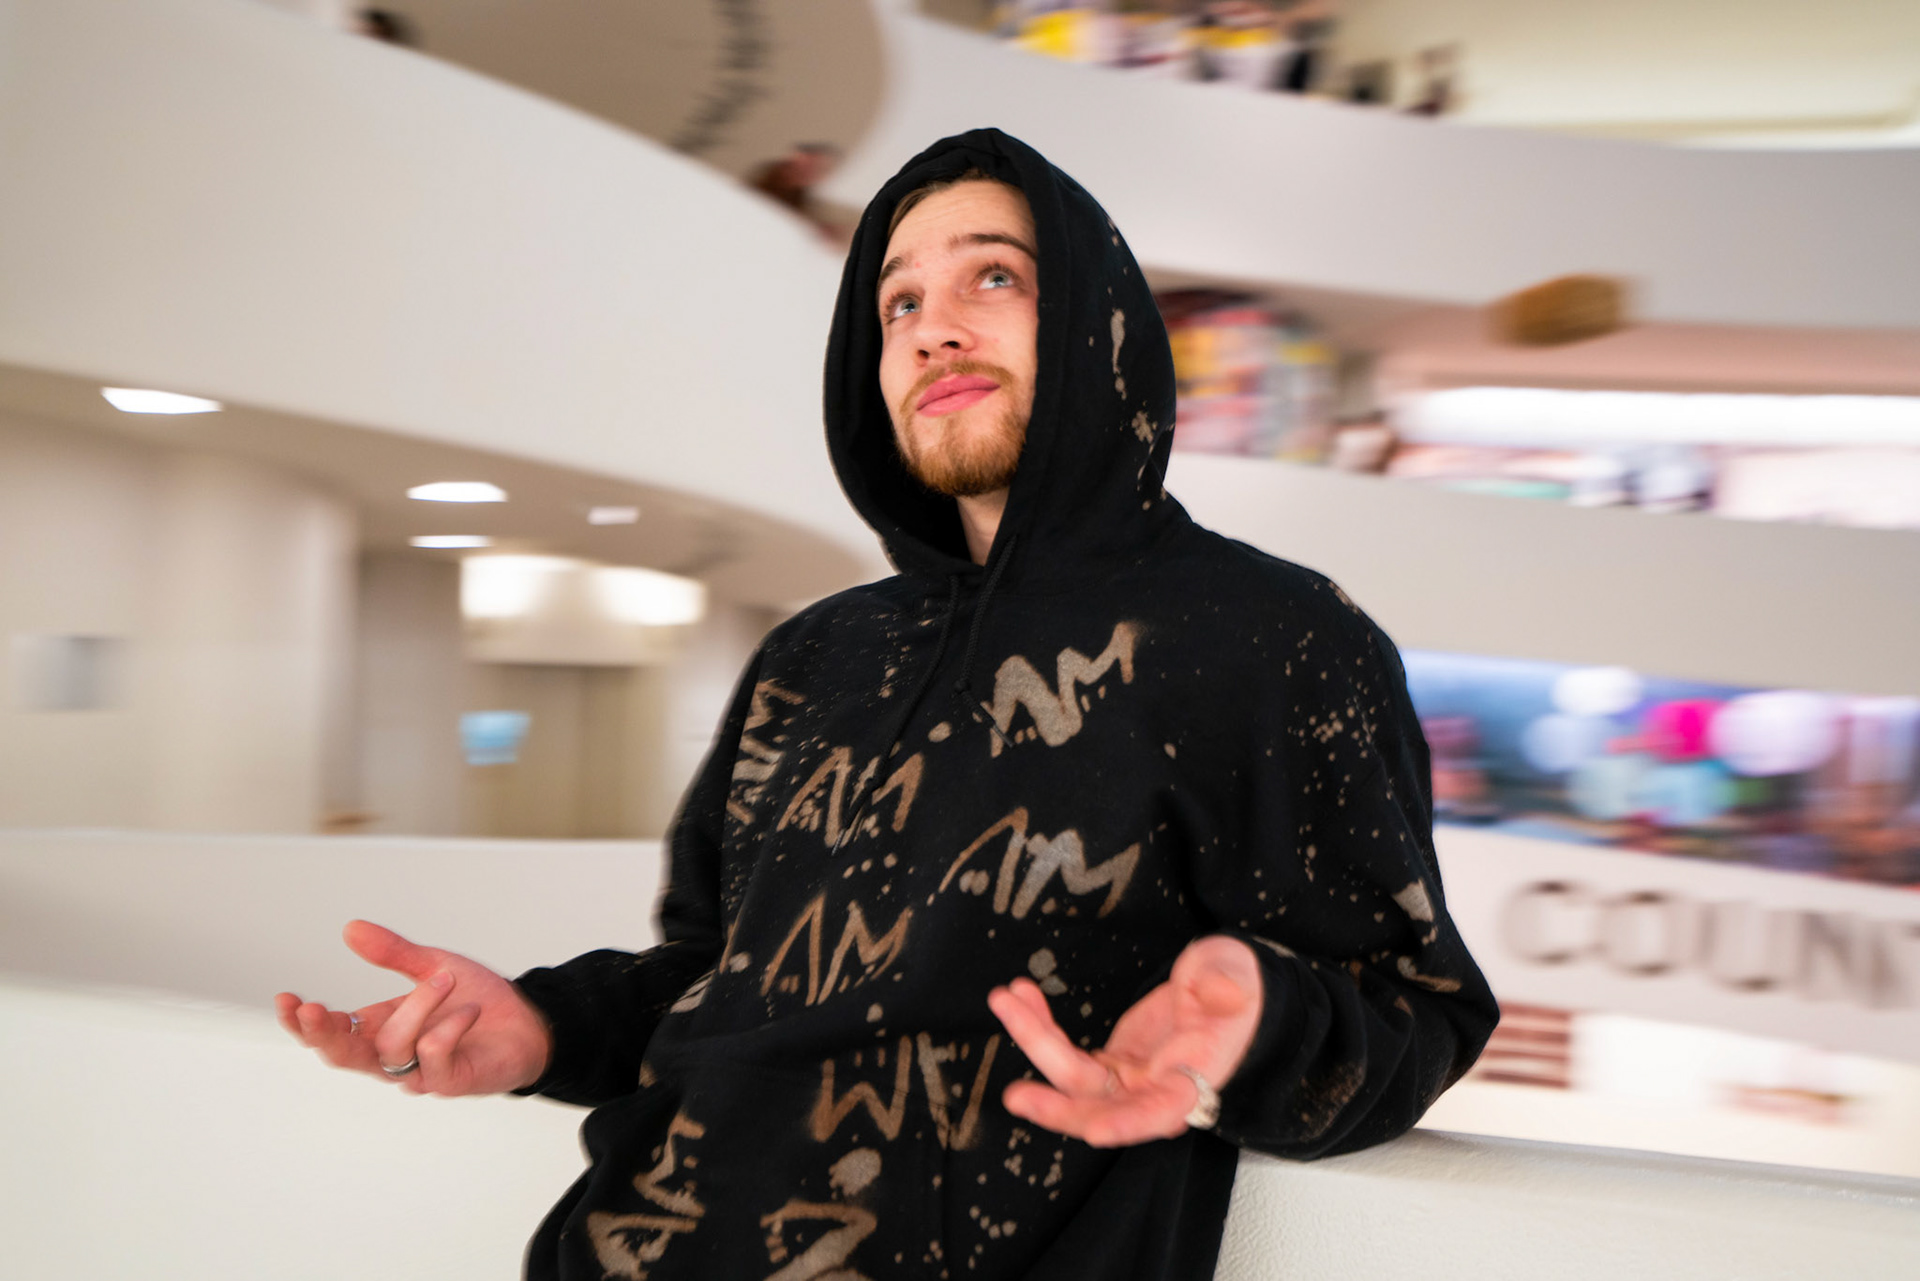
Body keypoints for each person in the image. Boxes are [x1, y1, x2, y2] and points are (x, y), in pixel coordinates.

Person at [278, 128, 1496, 1280]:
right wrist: (541, 1026)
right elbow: (710, 976)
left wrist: (1260, 1032)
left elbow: (1415, 1009)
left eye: (993, 278)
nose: (934, 330)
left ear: (1096, 321)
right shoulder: (816, 655)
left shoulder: (1269, 637)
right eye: (899, 303)